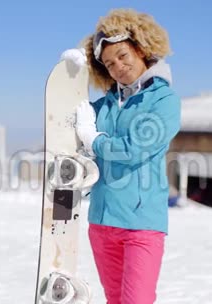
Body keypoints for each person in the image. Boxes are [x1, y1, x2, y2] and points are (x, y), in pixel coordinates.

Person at [61, 8, 181, 303]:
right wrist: (72, 76)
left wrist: (96, 139)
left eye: (123, 55)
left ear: (140, 48)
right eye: (109, 64)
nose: (118, 67)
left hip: (141, 225)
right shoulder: (105, 105)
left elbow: (132, 149)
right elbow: (68, 122)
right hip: (102, 223)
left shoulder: (164, 101)